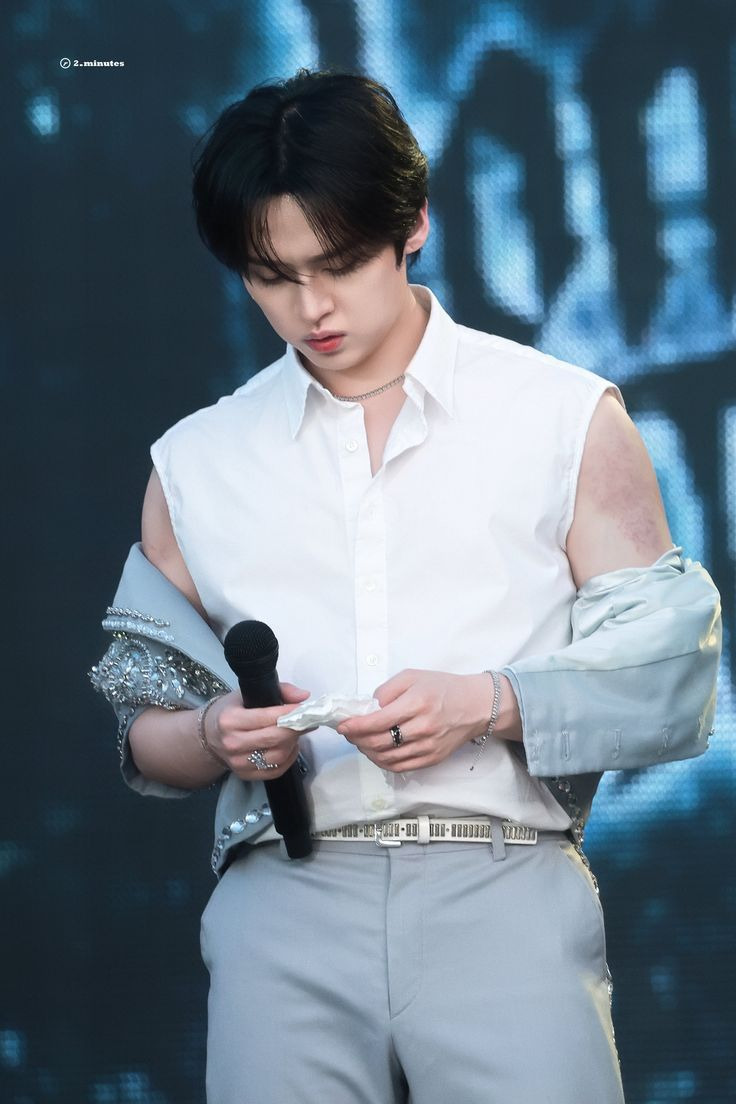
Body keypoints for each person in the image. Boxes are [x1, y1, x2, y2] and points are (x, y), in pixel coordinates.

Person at [89, 68, 722, 1103]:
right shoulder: (195, 463)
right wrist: (215, 734)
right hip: (281, 901)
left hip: (505, 881)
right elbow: (142, 729)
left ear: (414, 222)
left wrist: (487, 702)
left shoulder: (561, 417)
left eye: (337, 264)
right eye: (270, 276)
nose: (311, 307)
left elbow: (668, 675)